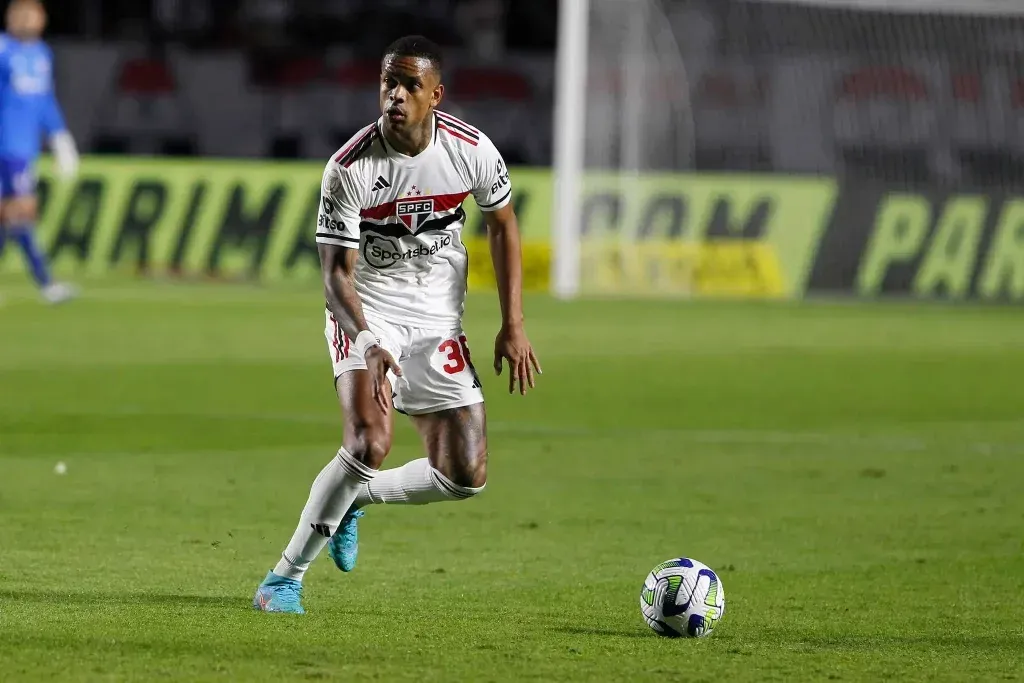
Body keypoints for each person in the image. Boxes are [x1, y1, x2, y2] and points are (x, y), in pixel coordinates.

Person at [254, 34, 540, 614]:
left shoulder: (472, 150)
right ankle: (283, 580)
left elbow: (503, 224)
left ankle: (357, 500)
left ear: (437, 94)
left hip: (439, 318)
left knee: (465, 474)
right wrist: (366, 339)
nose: (396, 95)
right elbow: (336, 275)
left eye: (411, 85)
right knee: (369, 441)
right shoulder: (349, 168)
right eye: (389, 83)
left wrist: (513, 323)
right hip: (368, 309)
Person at [0, 0, 78, 304]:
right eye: (19, 15)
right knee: (21, 213)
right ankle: (46, 284)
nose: (26, 21)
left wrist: (60, 137)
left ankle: (46, 283)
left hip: (23, 147)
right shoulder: (3, 49)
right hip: (5, 145)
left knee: (12, 216)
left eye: (32, 16)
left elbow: (45, 101)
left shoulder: (42, 55)